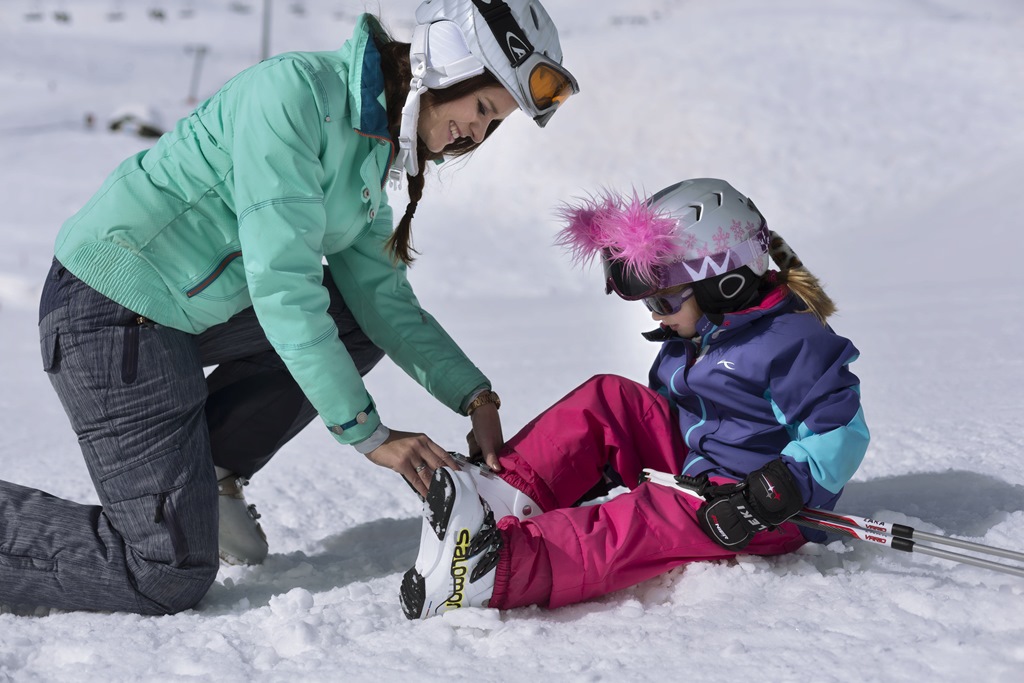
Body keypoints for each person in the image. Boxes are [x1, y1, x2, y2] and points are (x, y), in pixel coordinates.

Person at [0, 0, 578, 616]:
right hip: (111, 307)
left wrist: (475, 397)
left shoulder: (369, 148)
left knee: (355, 317)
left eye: (494, 124)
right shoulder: (293, 95)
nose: (477, 135)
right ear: (445, 68)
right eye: (483, 109)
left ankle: (211, 471)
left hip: (180, 315)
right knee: (165, 571)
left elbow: (382, 299)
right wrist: (370, 435)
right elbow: (283, 286)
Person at [400, 178, 870, 619]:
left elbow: (839, 429)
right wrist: (598, 465)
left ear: (723, 284)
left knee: (647, 517)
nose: (655, 316)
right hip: (698, 466)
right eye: (650, 303)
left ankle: (497, 569)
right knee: (609, 399)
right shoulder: (698, 334)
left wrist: (780, 488)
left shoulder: (791, 343)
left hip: (757, 507)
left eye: (663, 302)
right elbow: (667, 415)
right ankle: (500, 497)